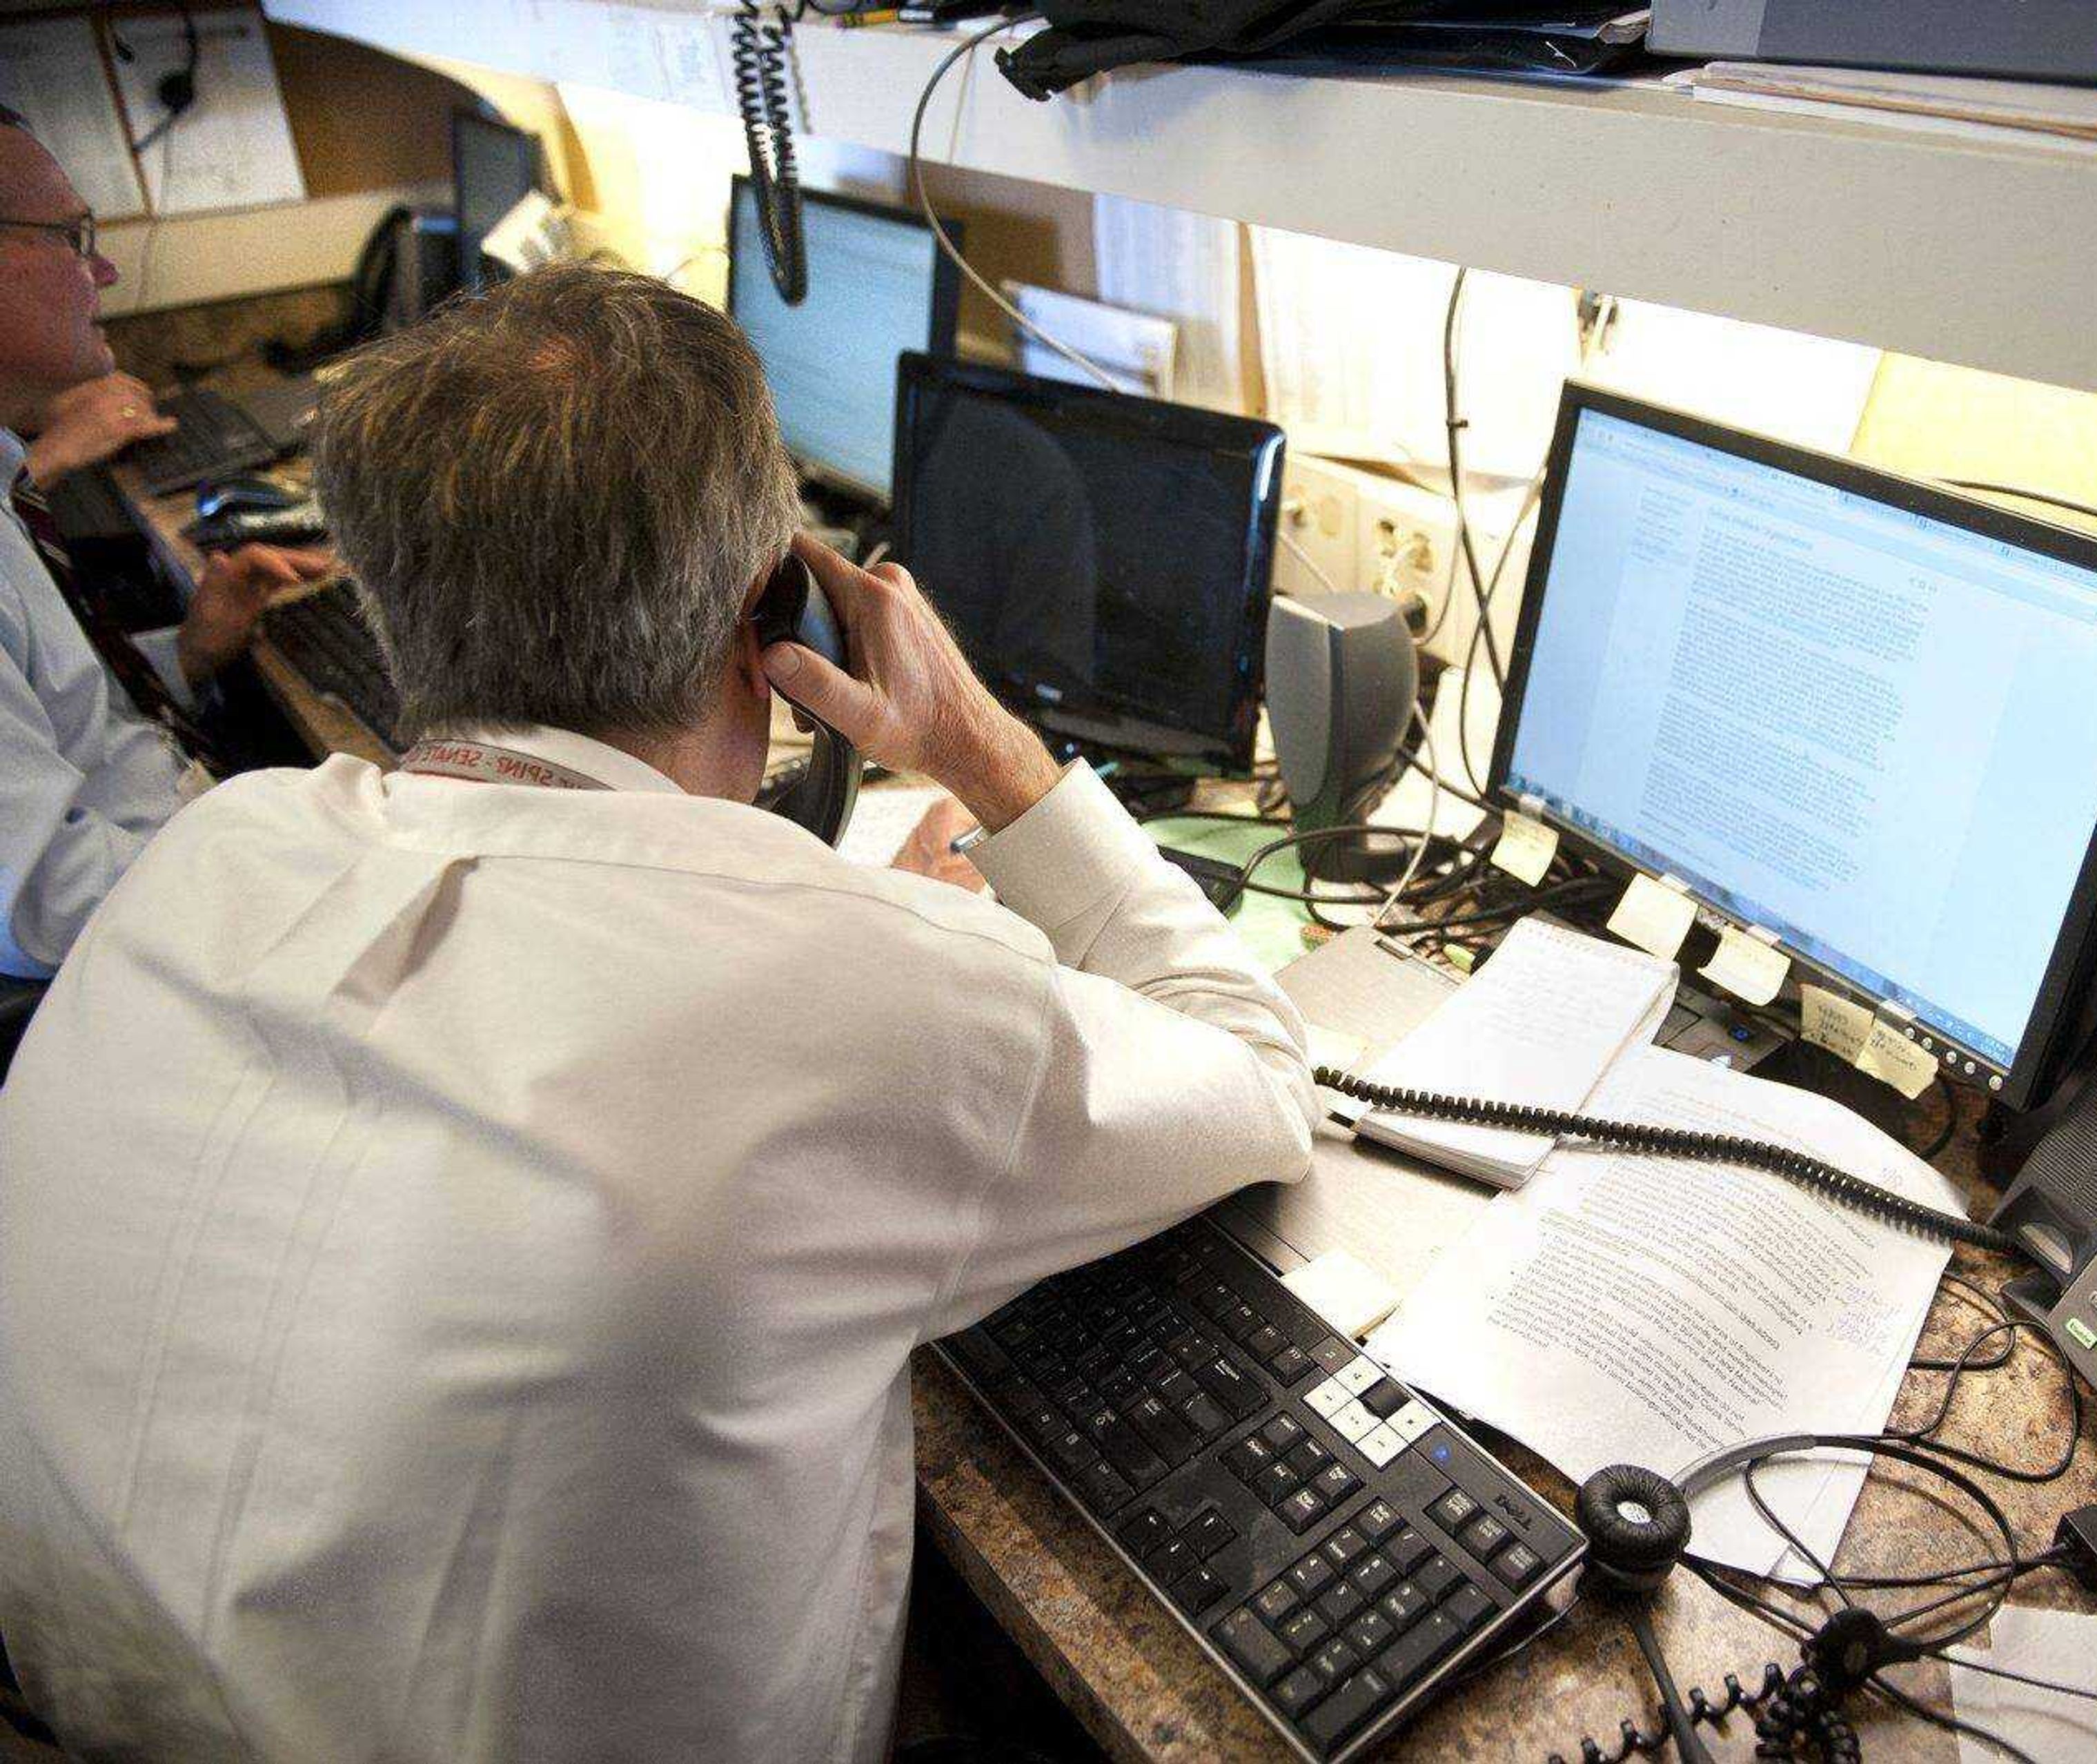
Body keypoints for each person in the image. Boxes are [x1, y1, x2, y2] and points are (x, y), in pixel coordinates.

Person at [0, 262, 1317, 1761]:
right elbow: (1260, 1071)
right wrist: (985, 758)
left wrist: (875, 950)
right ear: (773, 604)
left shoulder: (213, 852)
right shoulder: (859, 994)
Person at [0, 101, 331, 978]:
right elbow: (41, 907)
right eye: (73, 238)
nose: (104, 269)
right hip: (162, 946)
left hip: (187, 837)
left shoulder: (5, 476)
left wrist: (182, 653)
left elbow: (49, 715)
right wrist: (319, 875)